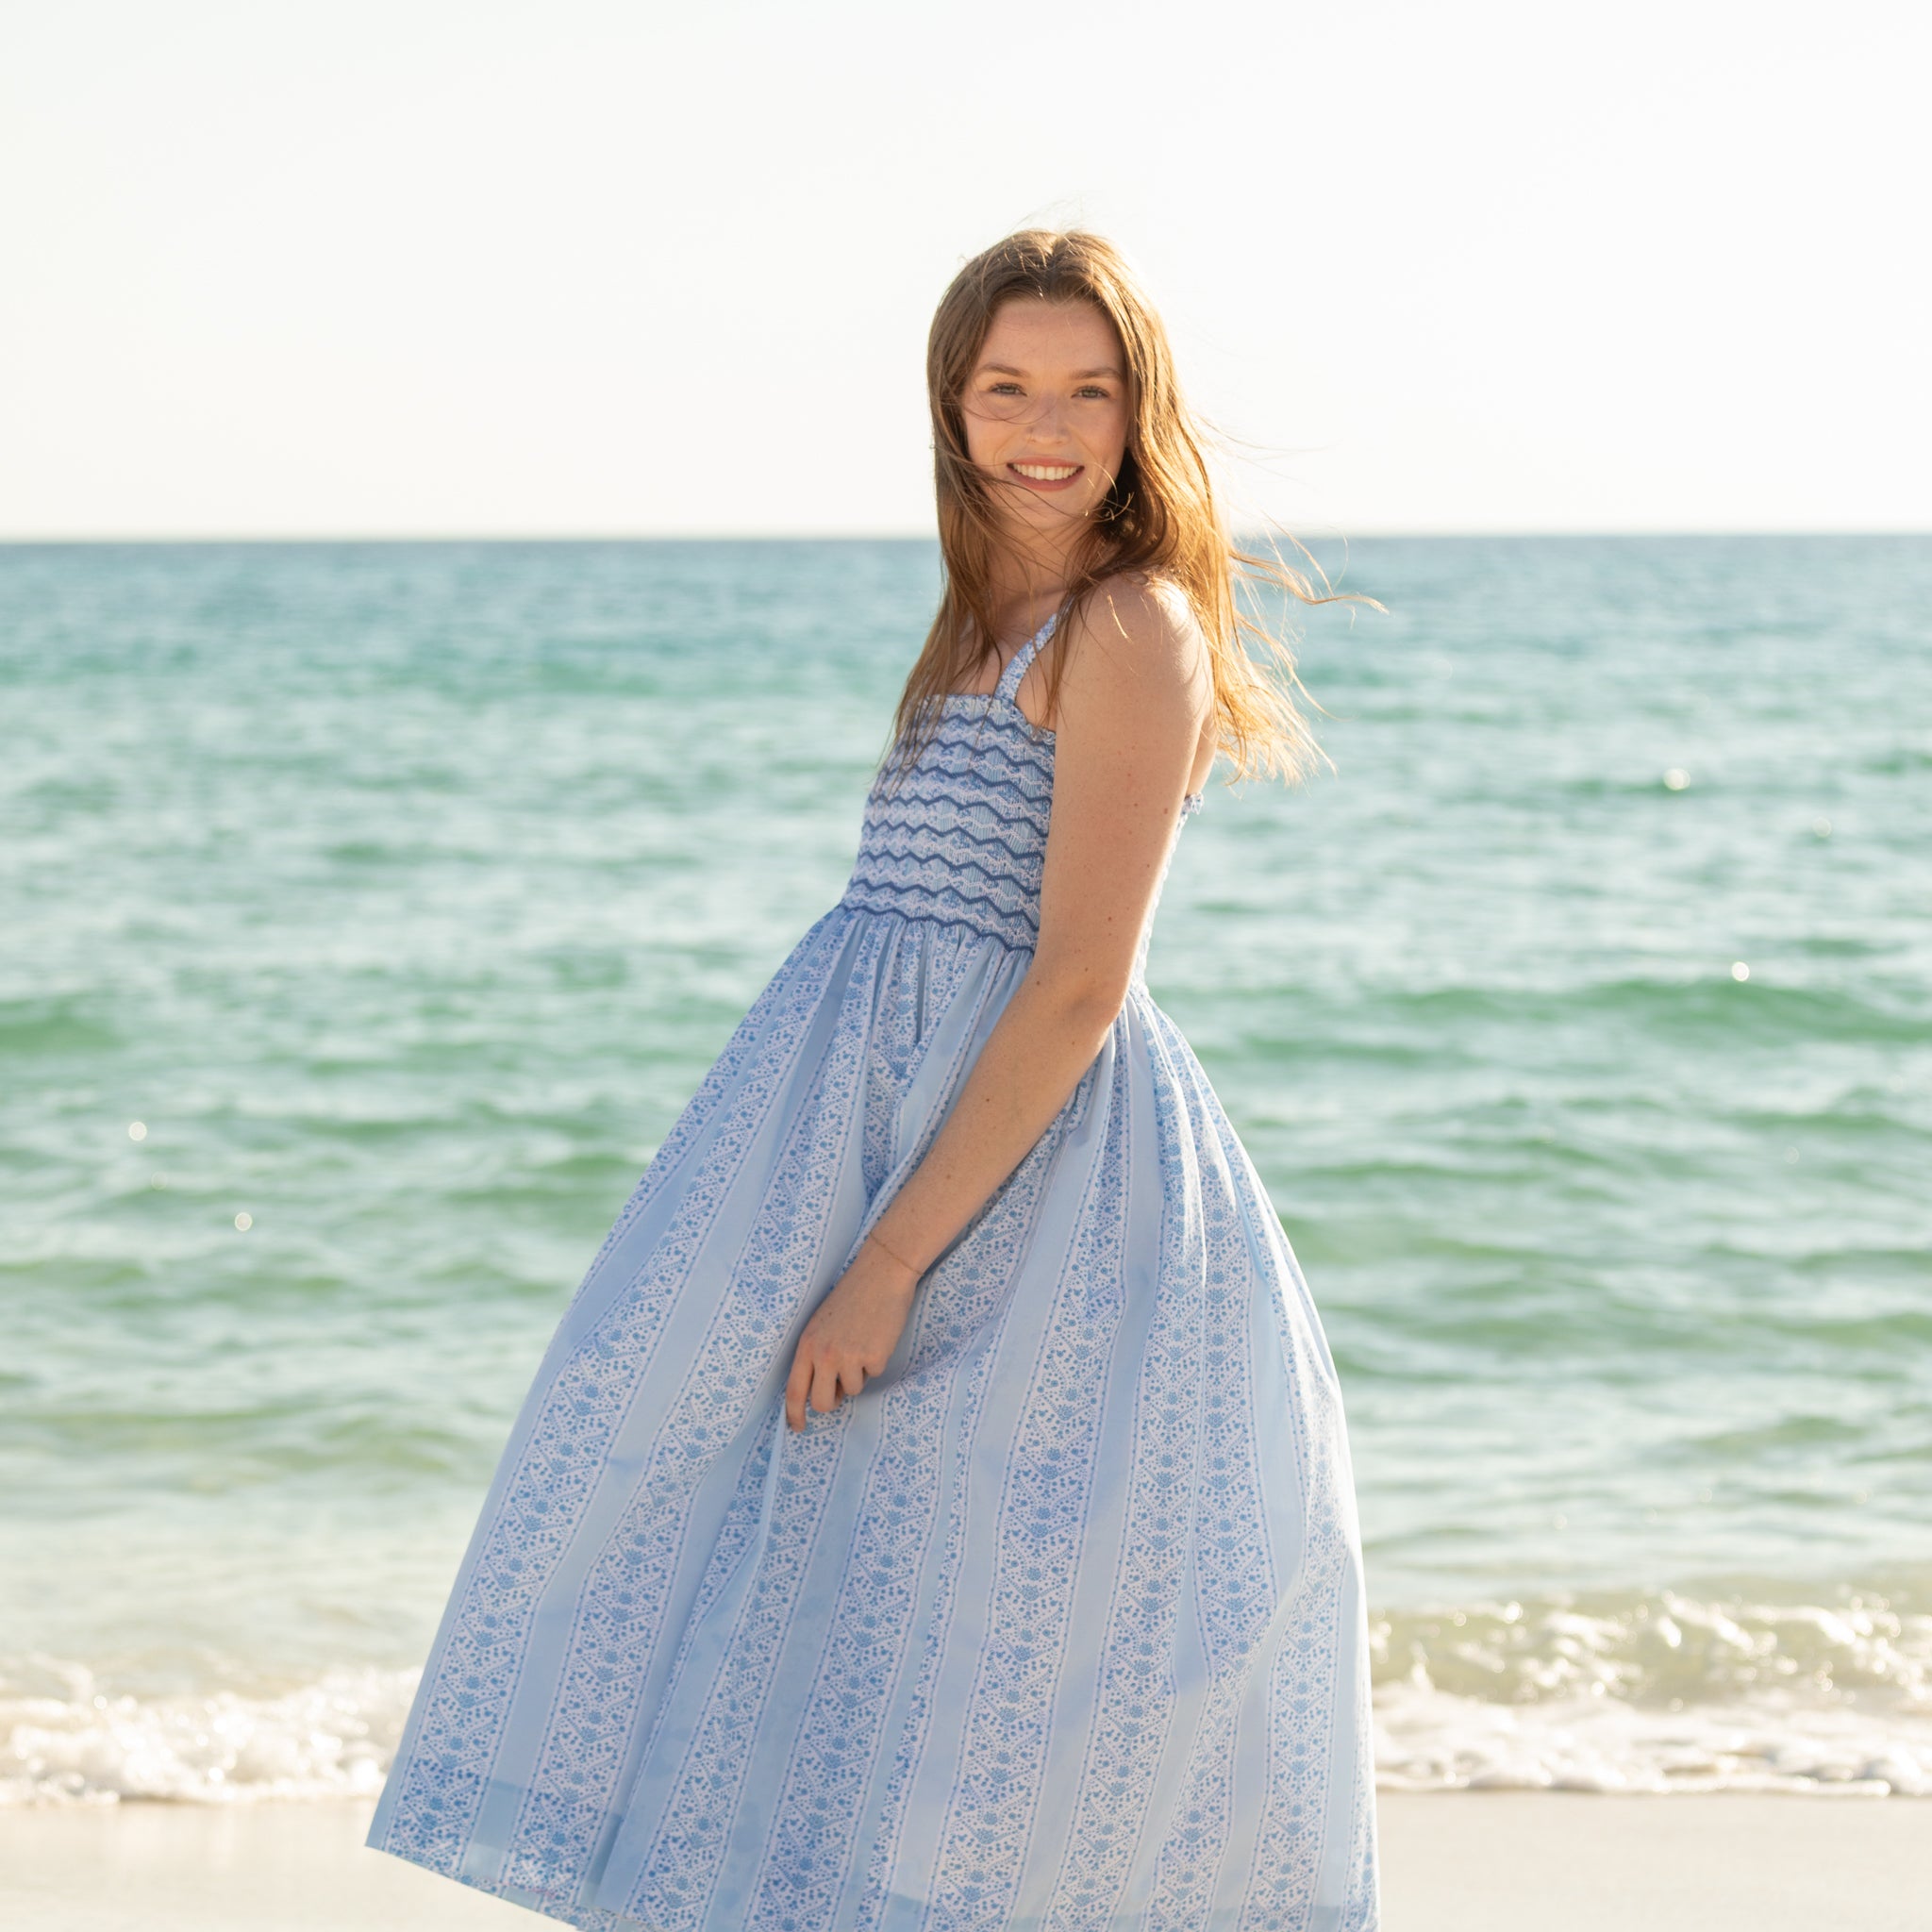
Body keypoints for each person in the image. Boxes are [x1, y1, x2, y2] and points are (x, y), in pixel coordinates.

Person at [367, 228, 1379, 1932]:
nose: (1043, 428)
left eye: (1087, 390)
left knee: (988, 1632)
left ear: (1143, 416)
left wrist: (892, 1256)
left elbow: (1076, 984)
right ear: (952, 405)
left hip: (1018, 1177)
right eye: (1006, 389)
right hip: (858, 1125)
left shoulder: (1132, 624)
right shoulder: (987, 613)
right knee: (790, 1571)